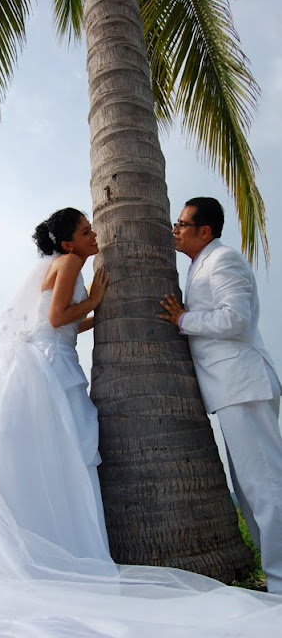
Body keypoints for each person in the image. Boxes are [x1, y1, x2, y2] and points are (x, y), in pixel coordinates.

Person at [0, 206, 281, 637]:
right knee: (65, 459)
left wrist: (105, 315)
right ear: (67, 243)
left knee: (65, 460)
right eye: (85, 230)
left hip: (77, 366)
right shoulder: (69, 263)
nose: (93, 234)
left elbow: (59, 323)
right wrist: (96, 301)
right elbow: (59, 318)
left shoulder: (80, 262)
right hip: (48, 372)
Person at [159, 196, 282, 596]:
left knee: (266, 487)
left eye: (182, 224)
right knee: (249, 489)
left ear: (205, 231)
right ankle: (276, 577)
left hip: (243, 385)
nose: (175, 229)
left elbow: (237, 318)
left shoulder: (223, 260)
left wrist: (183, 319)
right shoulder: (200, 264)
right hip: (231, 389)